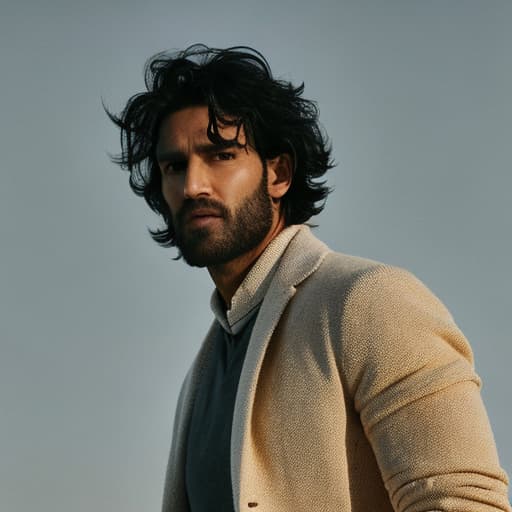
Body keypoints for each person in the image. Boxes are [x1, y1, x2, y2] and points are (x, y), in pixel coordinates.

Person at [107, 44, 511, 512]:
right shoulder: (202, 377)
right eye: (174, 166)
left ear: (278, 174)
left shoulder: (369, 302)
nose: (194, 184)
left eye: (220, 155)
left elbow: (463, 502)